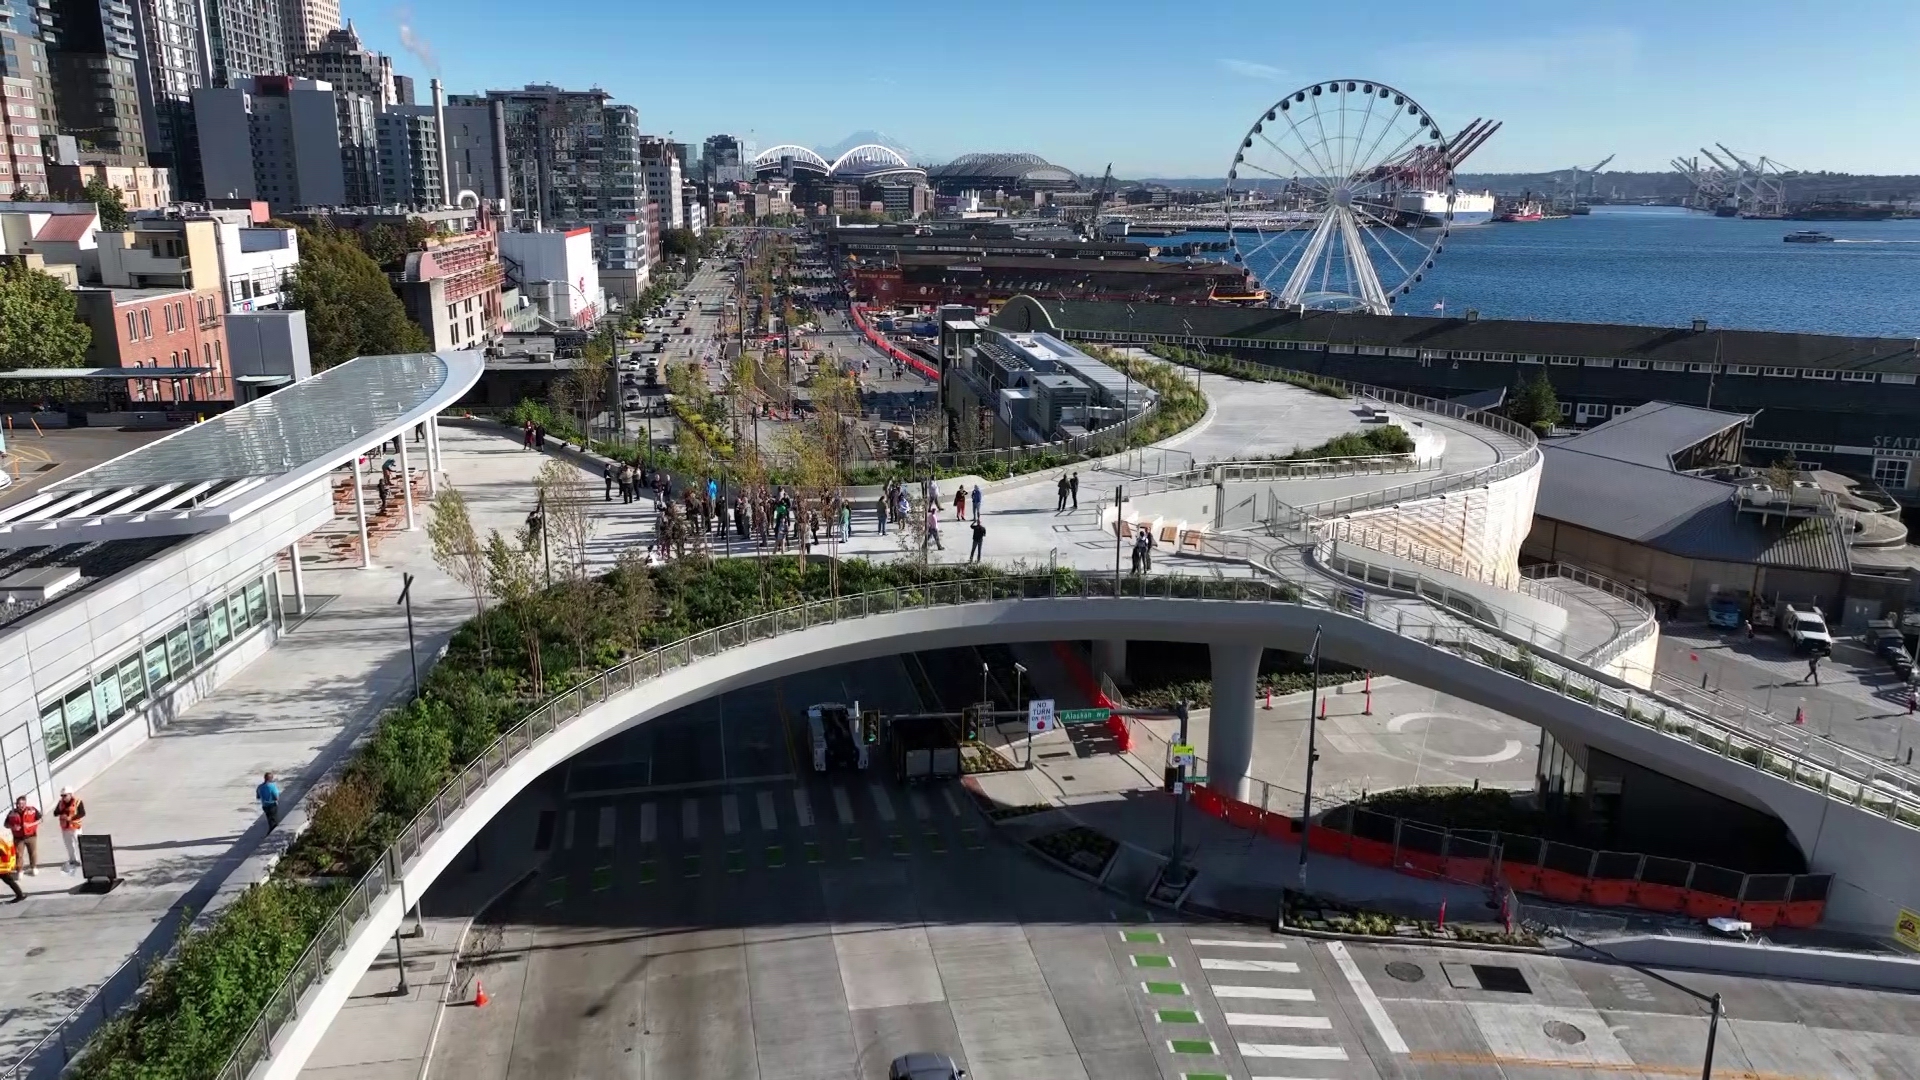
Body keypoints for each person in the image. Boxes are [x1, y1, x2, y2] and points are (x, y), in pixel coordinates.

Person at [6, 796, 40, 876]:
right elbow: (6, 824)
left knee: (33, 852)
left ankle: (34, 868)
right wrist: (12, 827)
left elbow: (40, 819)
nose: (19, 805)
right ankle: (20, 871)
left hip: (31, 835)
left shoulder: (32, 810)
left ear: (25, 803)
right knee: (18, 854)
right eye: (17, 803)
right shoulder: (12, 813)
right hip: (18, 837)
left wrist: (30, 824)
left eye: (21, 804)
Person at [53, 788, 83, 872]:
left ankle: (83, 859)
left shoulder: (78, 802)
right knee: (69, 844)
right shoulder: (60, 803)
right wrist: (61, 812)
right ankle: (73, 859)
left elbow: (82, 813)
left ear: (70, 794)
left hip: (75, 826)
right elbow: (55, 813)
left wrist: (71, 818)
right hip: (65, 827)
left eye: (65, 795)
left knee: (79, 843)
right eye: (62, 796)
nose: (63, 797)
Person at [0, 832, 21, 902]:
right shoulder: (3, 839)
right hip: (4, 865)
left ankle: (20, 895)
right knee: (9, 880)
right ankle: (20, 895)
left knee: (9, 880)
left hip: (2, 866)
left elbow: (4, 852)